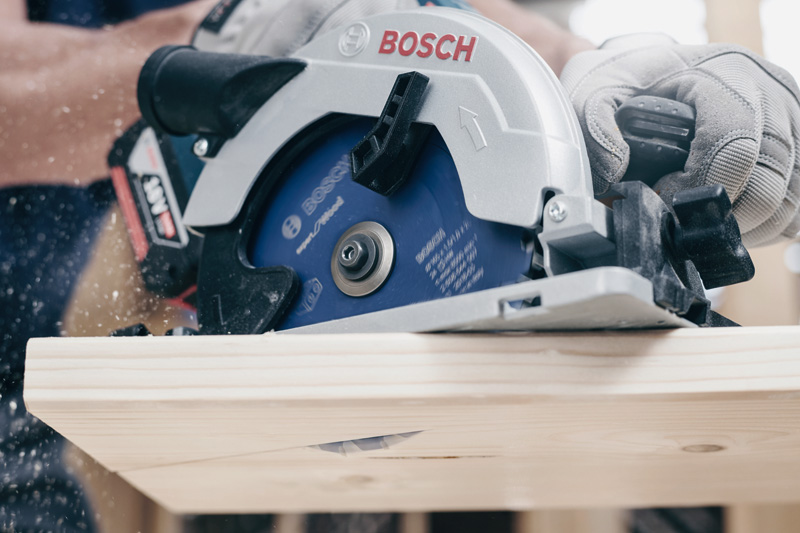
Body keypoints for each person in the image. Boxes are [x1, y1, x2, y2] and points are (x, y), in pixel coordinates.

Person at [2, 0, 799, 531]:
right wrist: (224, 32)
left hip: (378, 422)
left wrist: (620, 75)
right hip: (25, 418)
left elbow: (451, 30)